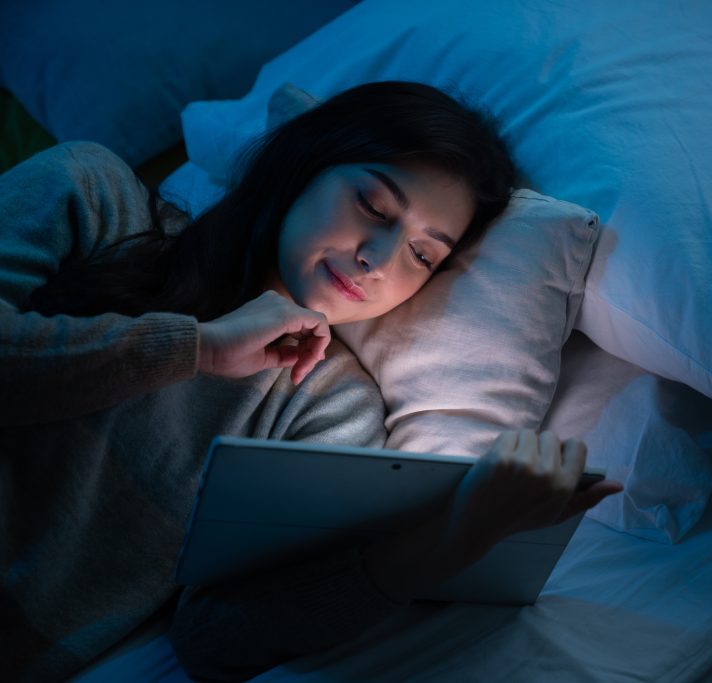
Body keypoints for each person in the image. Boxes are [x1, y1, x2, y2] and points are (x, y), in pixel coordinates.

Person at [0, 81, 623, 681]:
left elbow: (213, 638)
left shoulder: (332, 407)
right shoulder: (95, 193)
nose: (377, 259)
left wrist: (459, 534)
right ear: (304, 165)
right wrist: (198, 348)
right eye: (373, 206)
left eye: (422, 255)